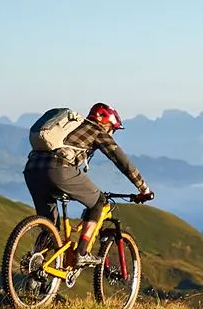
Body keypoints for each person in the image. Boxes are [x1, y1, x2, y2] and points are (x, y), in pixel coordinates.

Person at [22, 103, 154, 263]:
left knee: (50, 227)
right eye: (112, 129)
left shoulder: (71, 128)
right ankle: (82, 253)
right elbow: (122, 161)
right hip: (59, 169)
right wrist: (143, 188)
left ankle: (36, 269)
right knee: (99, 202)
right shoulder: (97, 130)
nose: (111, 133)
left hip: (32, 169)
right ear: (107, 123)